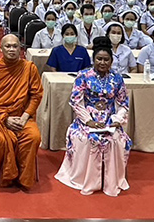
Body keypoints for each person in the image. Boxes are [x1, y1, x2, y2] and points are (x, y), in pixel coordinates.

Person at [55, 40, 131, 197]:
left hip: (109, 119)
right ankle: (88, 180)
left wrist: (117, 119)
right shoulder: (83, 76)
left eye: (106, 59)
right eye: (99, 59)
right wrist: (88, 120)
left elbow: (123, 103)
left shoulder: (117, 78)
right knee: (90, 139)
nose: (102, 62)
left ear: (111, 61)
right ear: (93, 59)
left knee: (115, 138)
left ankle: (110, 181)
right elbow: (75, 101)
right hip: (87, 118)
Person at [0, 34, 43, 190]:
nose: (11, 49)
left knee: (33, 137)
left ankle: (24, 177)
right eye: (8, 46)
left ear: (20, 49)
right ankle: (6, 174)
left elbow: (36, 95)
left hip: (23, 116)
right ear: (1, 49)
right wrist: (5, 119)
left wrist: (24, 117)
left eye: (15, 46)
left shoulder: (29, 68)